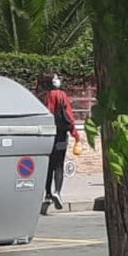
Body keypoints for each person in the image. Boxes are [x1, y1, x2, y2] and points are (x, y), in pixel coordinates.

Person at [40, 74, 80, 212]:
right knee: (59, 165)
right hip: (61, 134)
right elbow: (69, 115)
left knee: (48, 166)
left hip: (47, 134)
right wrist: (75, 135)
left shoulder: (44, 96)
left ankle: (48, 194)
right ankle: (57, 191)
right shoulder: (62, 95)